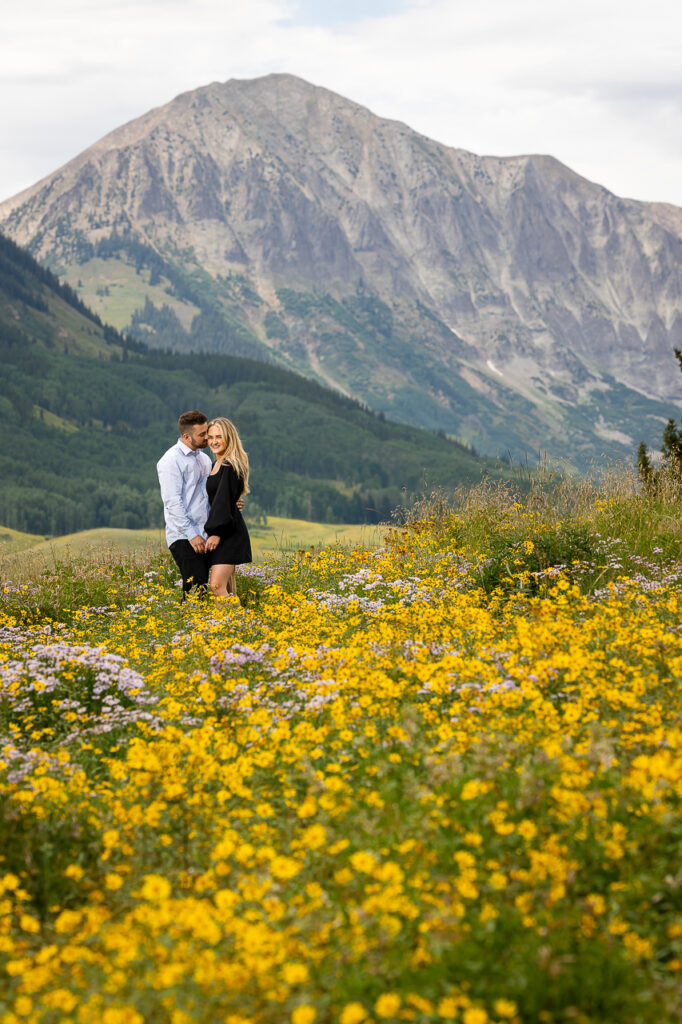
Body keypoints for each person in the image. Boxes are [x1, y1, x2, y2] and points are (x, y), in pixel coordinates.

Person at [204, 417, 252, 599]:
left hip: (227, 533)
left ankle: (238, 625)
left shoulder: (230, 465)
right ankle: (231, 625)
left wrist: (216, 533)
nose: (214, 441)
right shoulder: (215, 464)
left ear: (229, 438)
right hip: (222, 528)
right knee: (226, 589)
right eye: (210, 437)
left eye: (219, 436)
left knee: (217, 586)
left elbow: (223, 501)